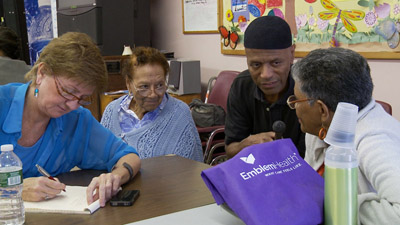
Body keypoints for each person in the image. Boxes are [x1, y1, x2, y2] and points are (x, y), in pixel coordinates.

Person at [0, 32, 141, 207]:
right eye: (68, 92)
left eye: (82, 98)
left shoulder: (76, 120)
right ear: (42, 73)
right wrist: (15, 189)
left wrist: (115, 177)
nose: (73, 105)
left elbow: (129, 156)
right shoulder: (2, 103)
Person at [289, 47, 400, 224]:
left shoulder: (375, 141)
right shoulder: (320, 129)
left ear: (322, 110)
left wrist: (337, 205)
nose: (294, 106)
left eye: (296, 100)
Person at [100, 46, 203, 162]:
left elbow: (191, 169)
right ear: (128, 84)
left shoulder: (179, 113)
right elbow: (98, 157)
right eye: (144, 87)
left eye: (160, 85)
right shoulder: (111, 110)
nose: (153, 94)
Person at [225, 16, 305, 158]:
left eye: (276, 63)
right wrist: (245, 145)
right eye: (256, 65)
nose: (265, 75)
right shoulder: (241, 86)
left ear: (292, 54)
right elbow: (231, 149)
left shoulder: (307, 88)